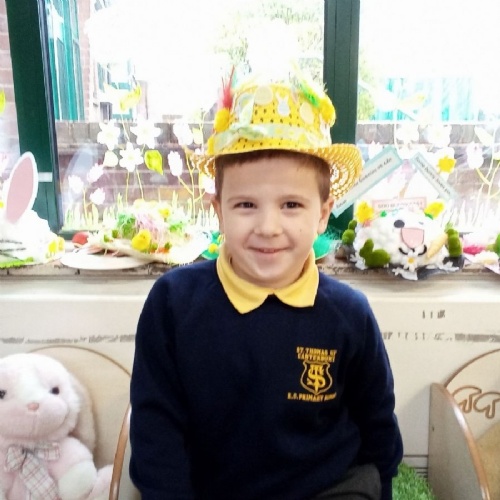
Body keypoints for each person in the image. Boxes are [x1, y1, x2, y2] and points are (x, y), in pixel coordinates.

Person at [129, 72, 403, 500]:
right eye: (246, 205)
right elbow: (156, 431)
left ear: (323, 214)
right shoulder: (172, 303)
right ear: (219, 211)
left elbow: (378, 426)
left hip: (329, 489)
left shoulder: (349, 314)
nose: (268, 227)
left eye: (291, 205)